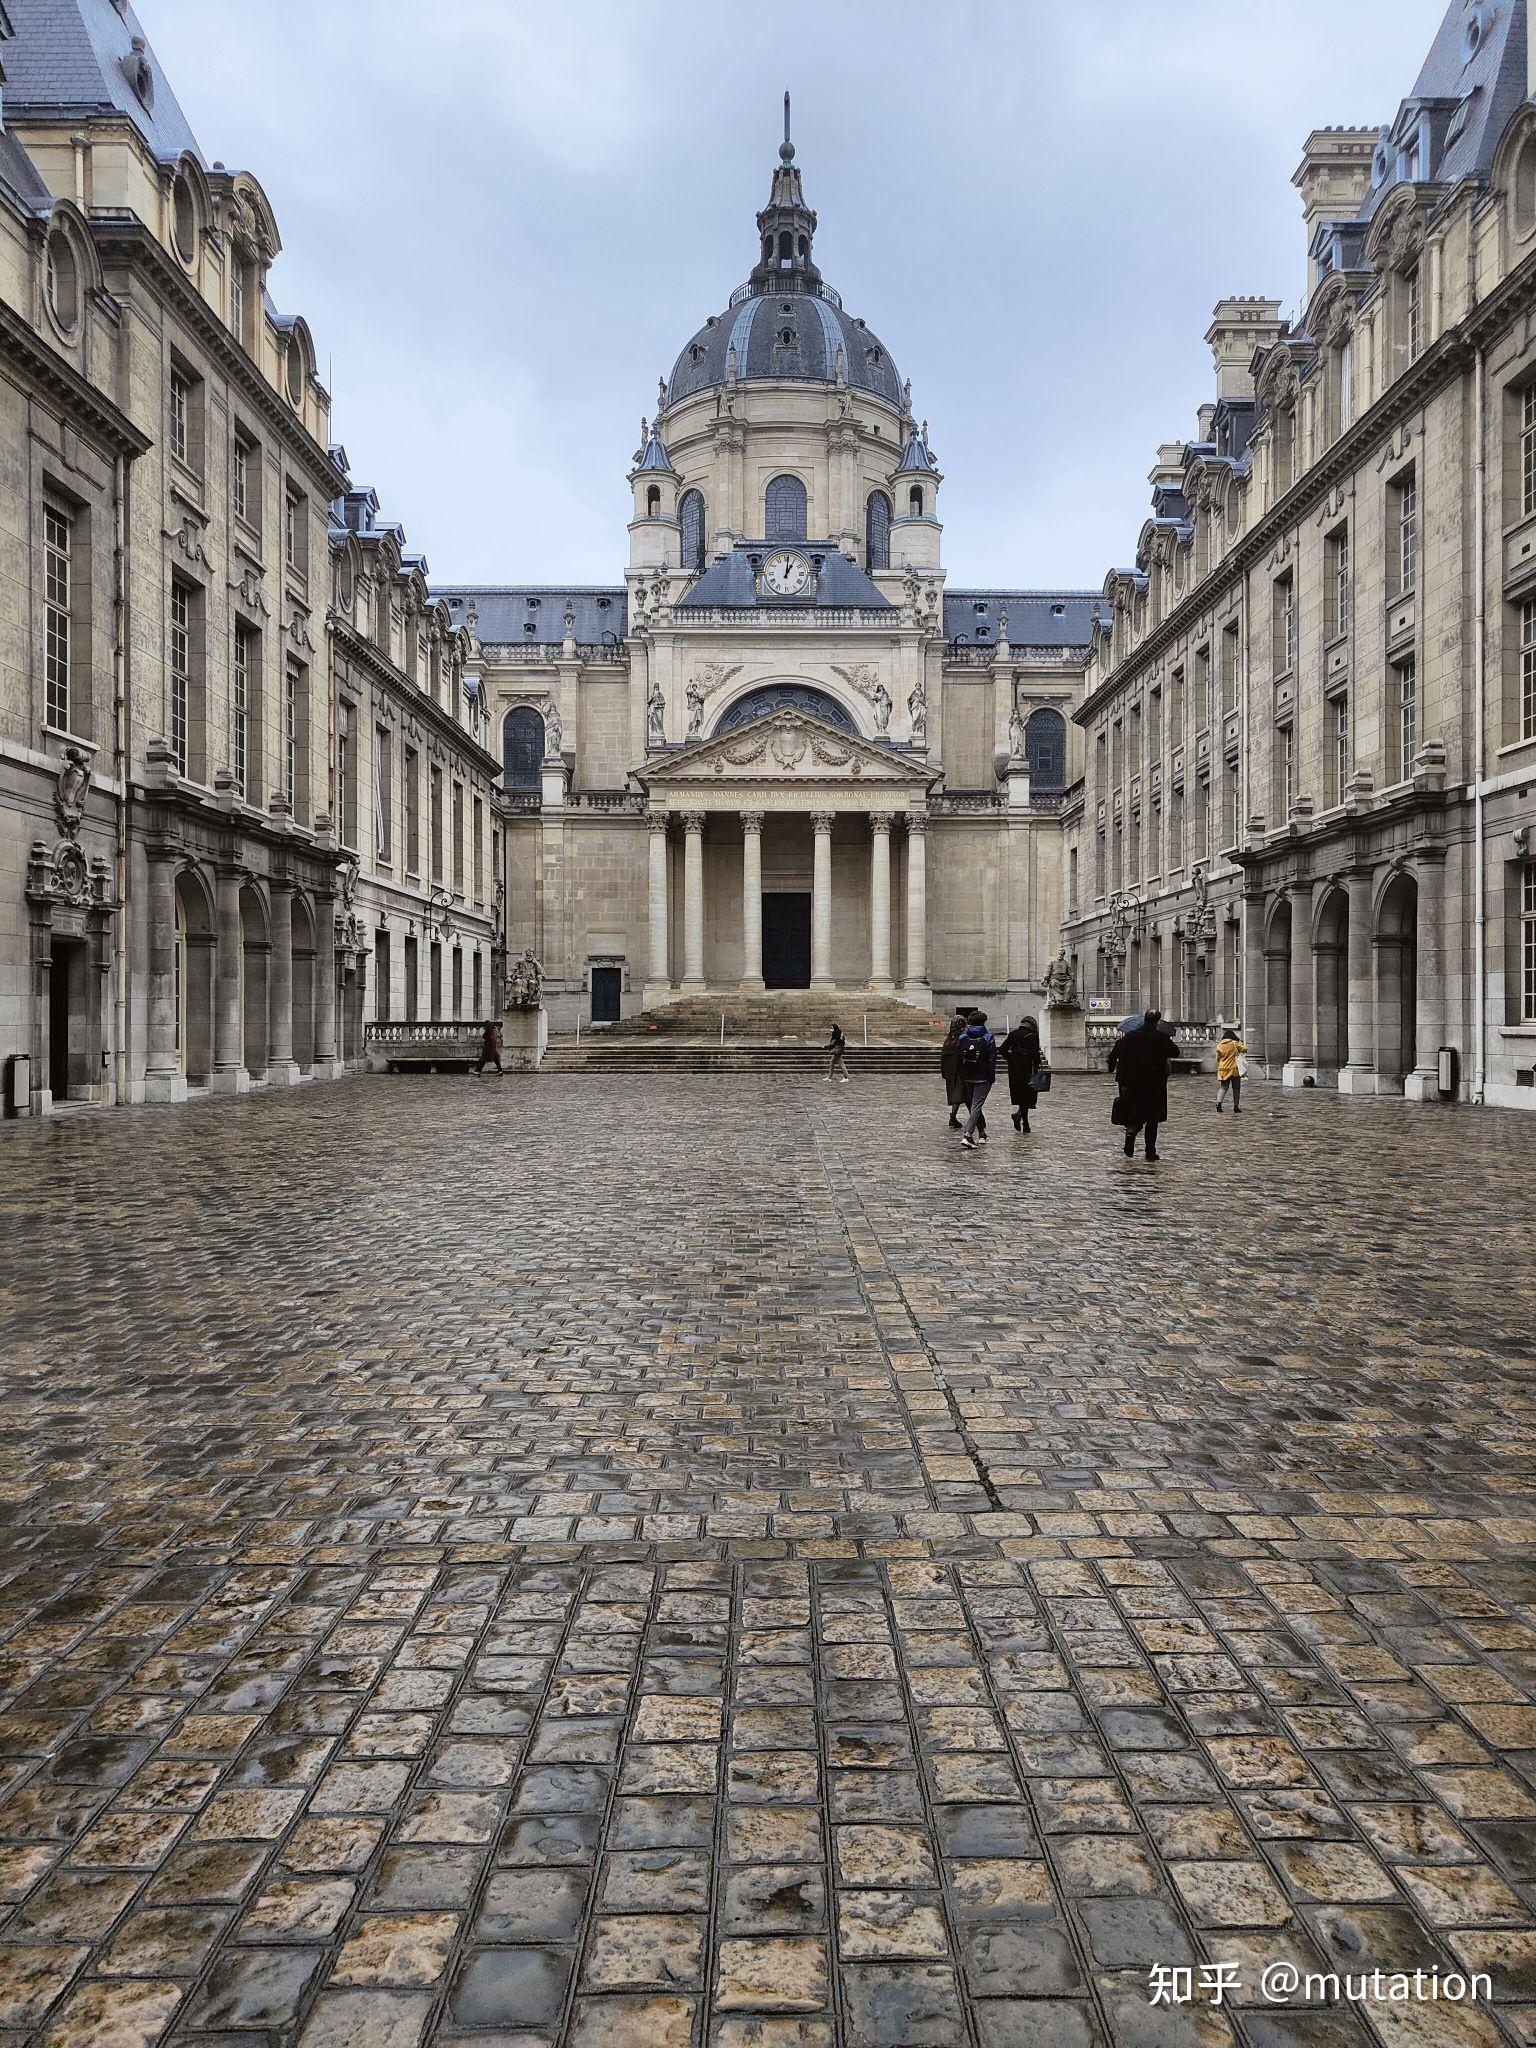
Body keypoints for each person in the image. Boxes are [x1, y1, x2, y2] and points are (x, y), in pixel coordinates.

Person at [1107, 1008, 1179, 1161]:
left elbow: (1113, 1056)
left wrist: (1112, 1069)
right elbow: (1175, 1052)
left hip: (1131, 1084)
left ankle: (1131, 1132)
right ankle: (1150, 1151)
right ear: (1157, 1021)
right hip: (1154, 1084)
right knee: (1152, 1119)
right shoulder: (1161, 1037)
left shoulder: (1128, 1037)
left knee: (1134, 1113)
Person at [956, 1010, 997, 1151]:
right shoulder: (988, 1037)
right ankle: (967, 1134)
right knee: (976, 1105)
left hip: (967, 1075)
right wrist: (990, 1076)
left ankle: (982, 1134)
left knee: (975, 1105)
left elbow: (958, 1058)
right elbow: (992, 1060)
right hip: (983, 1077)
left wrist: (962, 1074)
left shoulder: (962, 1037)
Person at [999, 1015, 1042, 1132]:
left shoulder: (1013, 1034)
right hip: (1028, 1069)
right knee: (1027, 1096)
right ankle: (1024, 1122)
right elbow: (1035, 1054)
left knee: (1020, 1095)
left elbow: (1002, 1049)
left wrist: (1011, 1059)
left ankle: (1021, 1118)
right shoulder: (1033, 1036)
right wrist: (1037, 1068)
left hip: (1014, 1070)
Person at [940, 1010, 971, 1129]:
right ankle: (954, 1117)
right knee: (961, 1094)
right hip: (960, 1070)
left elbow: (943, 1057)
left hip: (949, 1071)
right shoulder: (963, 1037)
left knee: (958, 1094)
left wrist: (944, 1071)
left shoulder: (948, 1039)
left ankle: (970, 1117)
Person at [1215, 1026, 1246, 1113]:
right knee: (1236, 1088)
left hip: (1223, 1069)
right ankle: (1236, 1106)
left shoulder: (1219, 1045)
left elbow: (1218, 1058)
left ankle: (1218, 1103)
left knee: (1223, 1087)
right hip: (1234, 1069)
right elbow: (1245, 1049)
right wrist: (1241, 1043)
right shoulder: (1235, 1043)